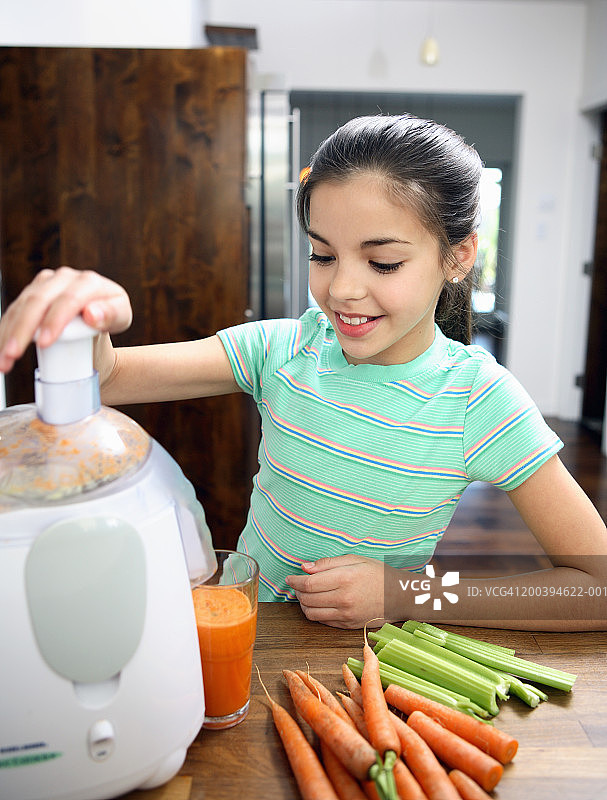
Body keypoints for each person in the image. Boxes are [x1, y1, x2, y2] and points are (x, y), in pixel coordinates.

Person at [1, 115, 606, 631]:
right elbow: (106, 380)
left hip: (368, 669)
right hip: (244, 636)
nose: (341, 289)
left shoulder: (479, 399)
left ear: (457, 257)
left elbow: (596, 586)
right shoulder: (282, 349)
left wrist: (405, 595)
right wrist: (98, 313)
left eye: (384, 261)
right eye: (322, 255)